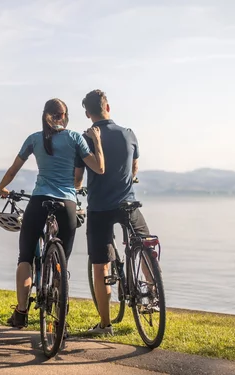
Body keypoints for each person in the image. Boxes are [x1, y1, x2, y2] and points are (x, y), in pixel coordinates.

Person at [0, 98, 105, 328]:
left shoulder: (34, 139)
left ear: (44, 115)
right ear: (65, 116)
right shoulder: (75, 138)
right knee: (61, 262)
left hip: (40, 201)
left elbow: (14, 169)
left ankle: (21, 313)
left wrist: (1, 187)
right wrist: (97, 141)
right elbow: (99, 168)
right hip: (67, 203)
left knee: (25, 256)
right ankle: (59, 322)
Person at [74, 89, 151, 335]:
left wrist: (78, 187)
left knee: (100, 266)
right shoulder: (128, 134)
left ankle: (105, 325)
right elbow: (135, 167)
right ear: (109, 107)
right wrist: (131, 179)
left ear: (87, 113)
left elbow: (78, 177)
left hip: (99, 208)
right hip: (127, 203)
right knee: (145, 246)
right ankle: (152, 291)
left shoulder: (85, 139)